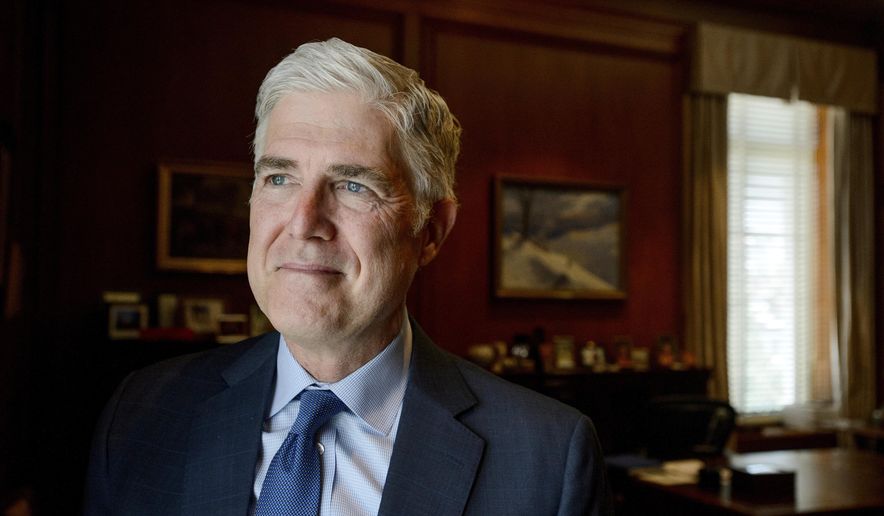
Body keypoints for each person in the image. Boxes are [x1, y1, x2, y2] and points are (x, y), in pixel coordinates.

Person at [84, 38, 612, 516]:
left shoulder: (546, 459)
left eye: (354, 186)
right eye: (279, 177)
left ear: (430, 232)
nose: (304, 222)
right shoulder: (144, 412)